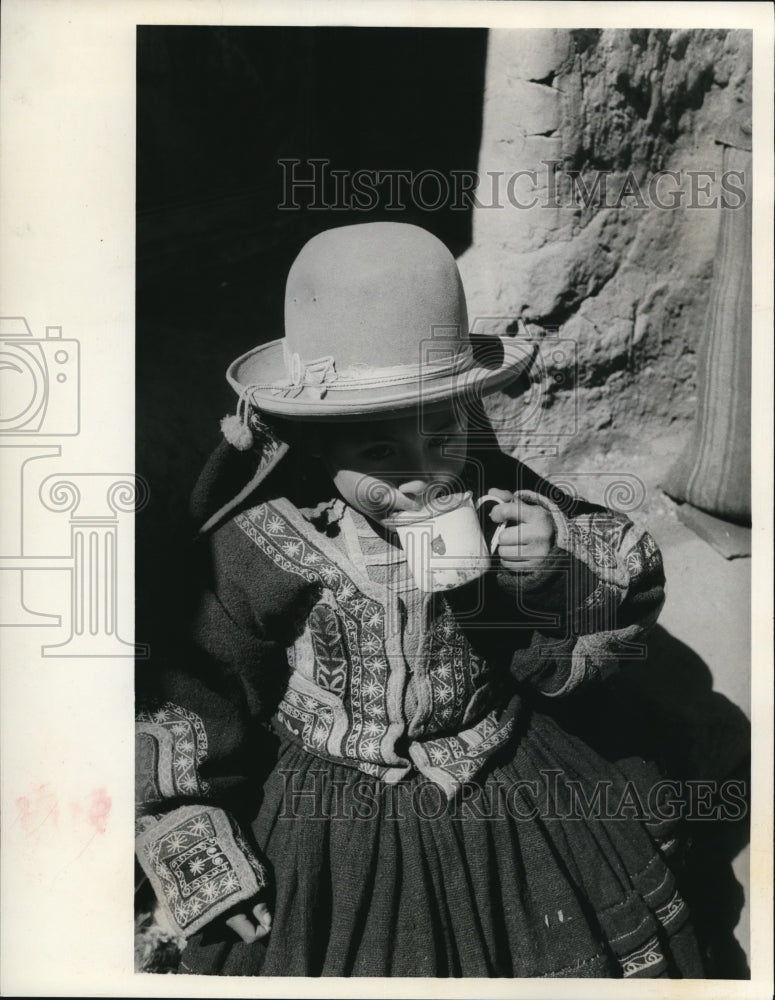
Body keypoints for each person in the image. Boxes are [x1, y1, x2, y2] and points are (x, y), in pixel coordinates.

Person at [135, 222, 704, 977]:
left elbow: (622, 570)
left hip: (503, 772)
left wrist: (546, 565)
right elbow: (198, 684)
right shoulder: (257, 547)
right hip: (331, 814)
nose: (420, 476)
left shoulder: (497, 495)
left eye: (441, 439)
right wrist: (194, 843)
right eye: (377, 452)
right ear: (315, 447)